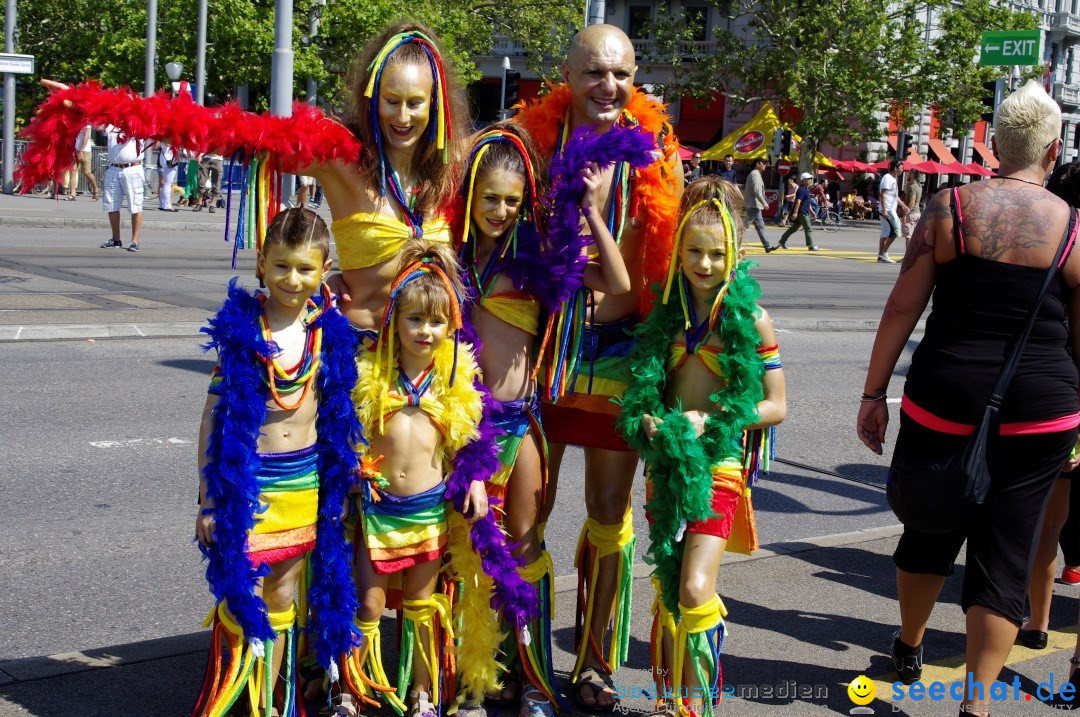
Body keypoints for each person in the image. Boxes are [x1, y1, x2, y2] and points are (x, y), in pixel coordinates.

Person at [856, 81, 1080, 717]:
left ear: (996, 145)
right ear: (1053, 148)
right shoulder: (1073, 227)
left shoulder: (947, 210)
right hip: (1043, 408)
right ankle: (976, 706)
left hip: (944, 396)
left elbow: (903, 304)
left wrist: (875, 394)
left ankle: (909, 642)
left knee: (930, 518)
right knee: (1007, 549)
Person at [512, 23, 684, 712]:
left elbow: (675, 259)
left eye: (620, 74)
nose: (608, 86)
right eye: (594, 73)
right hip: (546, 349)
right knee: (528, 513)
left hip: (620, 350)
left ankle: (592, 662)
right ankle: (519, 660)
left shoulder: (658, 151)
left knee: (608, 511)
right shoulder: (532, 145)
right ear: (568, 76)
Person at [455, 122, 638, 717]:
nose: (500, 211)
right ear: (469, 196)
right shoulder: (449, 258)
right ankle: (477, 669)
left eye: (512, 201)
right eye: (490, 199)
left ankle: (533, 677)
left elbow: (615, 282)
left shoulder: (535, 263)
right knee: (457, 549)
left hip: (516, 426)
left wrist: (591, 212)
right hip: (457, 427)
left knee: (523, 548)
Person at [617, 176, 786, 717]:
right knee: (670, 585)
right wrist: (645, 416)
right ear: (679, 250)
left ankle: (700, 707)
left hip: (720, 464)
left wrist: (708, 416)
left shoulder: (751, 321)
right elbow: (646, 389)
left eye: (716, 253)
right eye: (693, 251)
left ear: (734, 251)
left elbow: (776, 406)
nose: (704, 264)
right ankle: (676, 703)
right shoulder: (665, 315)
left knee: (694, 587)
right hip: (665, 467)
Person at [192, 208, 363, 717]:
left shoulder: (326, 332)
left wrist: (347, 476)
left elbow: (340, 412)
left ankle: (272, 702)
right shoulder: (245, 333)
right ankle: (232, 697)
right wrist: (208, 498)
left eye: (306, 269)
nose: (294, 279)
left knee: (285, 594)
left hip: (303, 484)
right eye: (283, 266)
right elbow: (212, 419)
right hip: (249, 487)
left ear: (324, 268)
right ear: (262, 264)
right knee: (245, 595)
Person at [343, 240, 489, 717]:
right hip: (377, 509)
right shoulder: (374, 368)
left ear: (451, 327)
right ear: (395, 319)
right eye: (414, 319)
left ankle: (421, 692)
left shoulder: (454, 378)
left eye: (436, 321)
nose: (425, 331)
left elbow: (468, 440)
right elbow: (350, 430)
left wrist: (476, 480)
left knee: (421, 606)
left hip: (427, 510)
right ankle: (354, 691)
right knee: (368, 606)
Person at [100, 123, 147, 251]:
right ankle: (116, 239)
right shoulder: (110, 124)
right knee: (111, 204)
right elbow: (96, 124)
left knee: (135, 204)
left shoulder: (138, 122)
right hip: (114, 167)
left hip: (132, 167)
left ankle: (135, 241)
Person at [877, 160, 909, 264]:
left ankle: (881, 256)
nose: (902, 170)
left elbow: (895, 196)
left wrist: (903, 206)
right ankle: (883, 252)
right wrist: (885, 210)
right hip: (888, 210)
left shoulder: (894, 179)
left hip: (889, 209)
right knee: (895, 231)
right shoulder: (887, 178)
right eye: (901, 168)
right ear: (896, 167)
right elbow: (882, 194)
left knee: (886, 232)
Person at [778, 172, 818, 251]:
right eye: (808, 179)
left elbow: (807, 202)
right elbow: (798, 202)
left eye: (810, 179)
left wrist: (812, 212)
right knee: (808, 229)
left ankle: (782, 241)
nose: (810, 180)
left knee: (793, 229)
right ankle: (810, 246)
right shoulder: (801, 190)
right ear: (803, 180)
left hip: (803, 212)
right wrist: (795, 213)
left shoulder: (806, 190)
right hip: (802, 213)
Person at [743, 156, 775, 252]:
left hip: (755, 206)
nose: (765, 165)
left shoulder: (756, 174)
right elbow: (757, 191)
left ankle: (767, 246)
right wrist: (764, 203)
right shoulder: (755, 174)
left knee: (760, 226)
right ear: (757, 164)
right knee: (743, 227)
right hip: (753, 205)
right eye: (764, 163)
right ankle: (732, 243)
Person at [74, 123, 98, 200]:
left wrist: (81, 149)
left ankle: (95, 188)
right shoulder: (75, 122)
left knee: (87, 172)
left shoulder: (86, 123)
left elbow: (86, 136)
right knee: (73, 171)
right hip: (76, 150)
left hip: (85, 151)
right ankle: (72, 193)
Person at [901, 171, 923, 244]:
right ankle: (913, 254)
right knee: (914, 235)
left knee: (908, 236)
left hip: (911, 214)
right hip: (917, 213)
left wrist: (906, 214)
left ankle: (908, 254)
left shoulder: (912, 187)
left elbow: (912, 201)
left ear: (912, 174)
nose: (907, 174)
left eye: (909, 173)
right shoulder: (919, 186)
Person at [157, 142, 180, 212]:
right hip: (169, 158)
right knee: (168, 184)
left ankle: (162, 204)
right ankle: (167, 205)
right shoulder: (171, 136)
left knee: (165, 184)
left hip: (163, 157)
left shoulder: (163, 134)